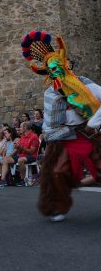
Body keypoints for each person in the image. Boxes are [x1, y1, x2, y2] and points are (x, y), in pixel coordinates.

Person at [21, 30, 101, 221]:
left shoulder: (85, 84)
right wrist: (51, 139)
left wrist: (93, 124)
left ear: (65, 63)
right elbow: (50, 122)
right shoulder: (51, 94)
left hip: (91, 134)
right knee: (57, 172)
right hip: (66, 138)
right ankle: (57, 206)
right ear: (48, 72)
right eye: (52, 68)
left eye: (58, 65)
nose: (56, 70)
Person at [14, 122, 39, 186]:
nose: (19, 129)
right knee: (6, 159)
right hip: (22, 155)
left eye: (21, 127)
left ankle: (22, 179)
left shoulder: (34, 136)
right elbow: (19, 151)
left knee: (20, 160)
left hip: (32, 156)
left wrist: (21, 147)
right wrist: (17, 148)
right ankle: (5, 180)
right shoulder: (22, 137)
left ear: (25, 128)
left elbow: (32, 152)